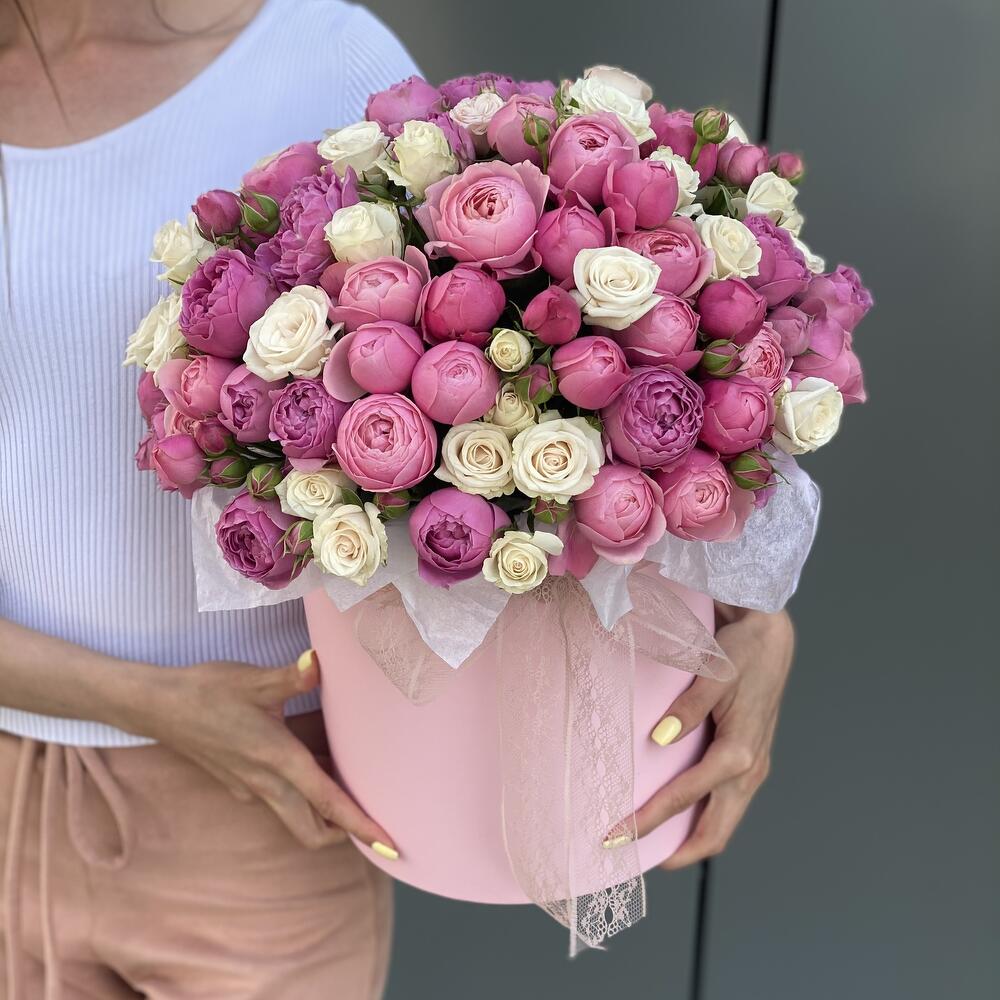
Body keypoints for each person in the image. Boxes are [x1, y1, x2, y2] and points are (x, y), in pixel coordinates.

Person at [0, 0, 795, 996]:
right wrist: (144, 703)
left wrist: (752, 618)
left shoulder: (320, 57)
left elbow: (550, 403)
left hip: (259, 821)